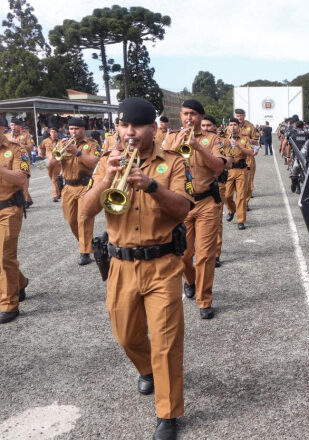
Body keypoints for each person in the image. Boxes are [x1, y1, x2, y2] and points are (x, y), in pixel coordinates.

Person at [81, 97, 193, 440]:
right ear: (117, 127)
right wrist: (106, 179)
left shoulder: (171, 162)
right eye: (124, 125)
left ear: (151, 128)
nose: (130, 132)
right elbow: (84, 211)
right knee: (126, 335)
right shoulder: (106, 162)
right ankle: (147, 369)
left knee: (165, 342)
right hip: (120, 265)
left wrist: (152, 186)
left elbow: (185, 208)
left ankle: (168, 413)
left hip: (162, 264)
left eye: (138, 126)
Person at [163, 100, 230, 319]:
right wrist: (175, 146)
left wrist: (197, 146)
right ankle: (189, 280)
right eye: (185, 114)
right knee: (182, 254)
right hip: (180, 203)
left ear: (201, 117)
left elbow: (219, 167)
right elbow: (161, 166)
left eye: (192, 114)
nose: (188, 118)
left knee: (204, 255)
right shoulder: (171, 137)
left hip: (206, 203)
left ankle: (204, 300)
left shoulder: (214, 140)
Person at [51, 117, 101, 265]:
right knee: (71, 220)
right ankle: (86, 243)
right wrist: (60, 150)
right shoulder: (63, 143)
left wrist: (77, 153)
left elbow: (95, 163)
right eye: (71, 129)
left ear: (83, 129)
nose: (73, 132)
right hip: (67, 188)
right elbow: (51, 162)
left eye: (76, 129)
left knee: (84, 218)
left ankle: (84, 252)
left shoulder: (93, 144)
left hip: (85, 186)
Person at [0, 115, 30, 324]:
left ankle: (9, 304)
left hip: (9, 208)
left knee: (3, 256)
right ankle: (19, 282)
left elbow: (21, 178)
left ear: (2, 129)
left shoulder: (17, 149)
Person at [201, 115, 231, 268]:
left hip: (216, 185)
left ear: (215, 127)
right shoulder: (192, 139)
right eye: (203, 125)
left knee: (216, 222)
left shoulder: (221, 142)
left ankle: (216, 253)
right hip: (195, 187)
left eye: (208, 125)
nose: (205, 128)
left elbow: (228, 162)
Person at [224, 117, 255, 230]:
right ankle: (232, 210)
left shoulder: (245, 139)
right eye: (230, 124)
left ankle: (240, 220)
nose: (232, 127)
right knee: (226, 195)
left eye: (234, 125)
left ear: (238, 126)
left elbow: (251, 152)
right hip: (228, 170)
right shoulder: (223, 139)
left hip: (241, 170)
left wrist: (239, 146)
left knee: (241, 196)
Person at [234, 109, 259, 210]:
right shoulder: (231, 126)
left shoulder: (250, 126)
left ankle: (246, 202)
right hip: (236, 158)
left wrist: (246, 140)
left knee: (249, 181)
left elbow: (256, 141)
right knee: (237, 181)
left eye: (241, 116)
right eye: (237, 116)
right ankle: (240, 199)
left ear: (244, 116)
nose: (239, 118)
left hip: (248, 157)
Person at [8, 118, 34, 208]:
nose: (13, 127)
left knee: (24, 181)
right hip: (11, 161)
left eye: (15, 125)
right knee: (15, 182)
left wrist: (19, 144)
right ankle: (28, 199)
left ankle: (23, 202)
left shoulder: (26, 135)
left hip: (24, 160)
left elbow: (31, 148)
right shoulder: (7, 135)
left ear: (19, 126)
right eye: (11, 125)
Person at [39, 127, 62, 202]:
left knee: (54, 178)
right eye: (52, 132)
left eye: (55, 132)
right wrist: (40, 153)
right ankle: (59, 192)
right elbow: (40, 147)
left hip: (57, 162)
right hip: (47, 161)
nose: (53, 133)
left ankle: (54, 195)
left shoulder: (60, 141)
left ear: (57, 133)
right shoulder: (45, 140)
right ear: (49, 132)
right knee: (51, 178)